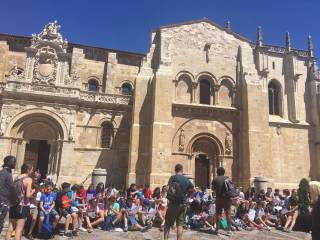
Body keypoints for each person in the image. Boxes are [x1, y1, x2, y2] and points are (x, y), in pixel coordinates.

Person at [164, 163, 194, 240]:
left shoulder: (173, 178)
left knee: (167, 224)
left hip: (173, 204)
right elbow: (192, 190)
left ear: (175, 170)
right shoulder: (186, 179)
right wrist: (187, 196)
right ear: (181, 170)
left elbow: (168, 188)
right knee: (180, 225)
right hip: (183, 204)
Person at [5, 163, 34, 240]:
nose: (32, 171)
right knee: (18, 230)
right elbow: (28, 195)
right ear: (28, 170)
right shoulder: (29, 179)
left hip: (13, 205)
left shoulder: (17, 177)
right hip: (22, 207)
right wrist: (33, 192)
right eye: (31, 169)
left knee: (10, 229)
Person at [211, 167, 232, 236]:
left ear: (217, 172)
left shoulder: (215, 179)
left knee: (218, 214)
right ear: (224, 172)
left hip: (219, 198)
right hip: (227, 199)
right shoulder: (227, 178)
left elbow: (213, 189)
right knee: (228, 214)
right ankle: (229, 230)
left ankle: (217, 229)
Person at [0, 155, 16, 234]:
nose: (15, 163)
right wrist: (2, 202)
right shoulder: (4, 172)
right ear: (7, 162)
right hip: (2, 203)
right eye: (14, 161)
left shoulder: (8, 172)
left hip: (6, 202)